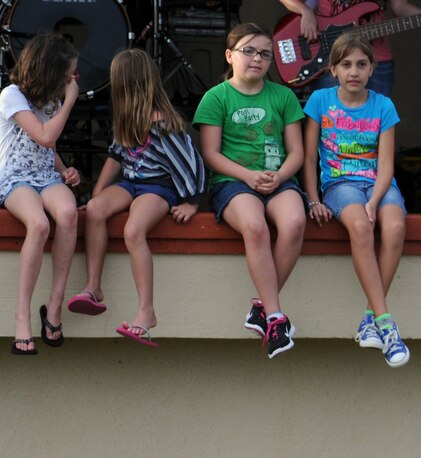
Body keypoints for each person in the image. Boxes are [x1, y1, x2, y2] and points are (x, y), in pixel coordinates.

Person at [77, 49, 206, 347]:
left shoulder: (162, 123)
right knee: (96, 210)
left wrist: (192, 201)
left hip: (158, 188)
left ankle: (146, 312)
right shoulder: (126, 117)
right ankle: (93, 287)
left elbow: (192, 162)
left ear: (124, 84)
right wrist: (96, 195)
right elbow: (116, 155)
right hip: (132, 182)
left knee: (133, 231)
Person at [194, 22, 306, 359]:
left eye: (264, 54)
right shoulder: (216, 97)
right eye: (248, 51)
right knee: (255, 226)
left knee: (294, 223)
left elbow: (297, 152)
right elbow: (211, 154)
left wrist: (279, 174)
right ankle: (275, 316)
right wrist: (248, 176)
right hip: (233, 182)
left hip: (279, 178)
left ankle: (263, 309)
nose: (257, 59)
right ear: (230, 55)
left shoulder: (283, 95)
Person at [303, 34, 410, 367]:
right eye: (346, 64)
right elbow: (307, 159)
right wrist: (312, 199)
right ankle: (386, 322)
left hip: (378, 184)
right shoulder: (320, 101)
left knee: (394, 226)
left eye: (361, 64)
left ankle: (369, 319)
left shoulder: (383, 105)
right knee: (361, 228)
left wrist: (375, 200)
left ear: (372, 68)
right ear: (332, 69)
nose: (354, 71)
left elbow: (388, 164)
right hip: (339, 185)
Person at [0, 32, 80, 355]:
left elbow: (50, 148)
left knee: (68, 213)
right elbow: (43, 135)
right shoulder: (12, 95)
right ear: (49, 71)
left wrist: (63, 170)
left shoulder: (52, 100)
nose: (72, 81)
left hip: (45, 175)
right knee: (40, 225)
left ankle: (54, 305)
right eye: (68, 75)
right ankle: (22, 315)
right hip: (14, 178)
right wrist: (71, 101)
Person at [275, 0, 421, 98]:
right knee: (332, 129)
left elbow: (399, 6)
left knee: (375, 128)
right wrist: (305, 11)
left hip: (377, 60)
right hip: (334, 57)